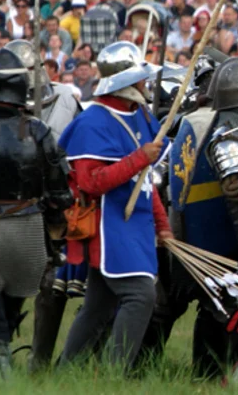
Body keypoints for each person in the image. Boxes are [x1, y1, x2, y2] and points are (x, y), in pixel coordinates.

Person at [143, 58, 238, 378]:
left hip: (182, 234)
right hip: (221, 240)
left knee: (180, 309)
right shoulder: (229, 129)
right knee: (225, 312)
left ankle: (144, 369)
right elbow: (236, 190)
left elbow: (161, 178)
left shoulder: (191, 123)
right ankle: (209, 375)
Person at [56, 41, 169, 372]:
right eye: (140, 80)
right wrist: (138, 158)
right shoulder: (93, 121)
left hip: (134, 223)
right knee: (140, 296)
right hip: (109, 225)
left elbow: (145, 181)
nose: (145, 86)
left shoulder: (141, 116)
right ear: (126, 83)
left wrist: (162, 224)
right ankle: (113, 374)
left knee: (98, 306)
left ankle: (66, 372)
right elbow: (91, 182)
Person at [0, 49, 74, 375]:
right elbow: (61, 193)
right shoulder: (37, 131)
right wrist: (56, 233)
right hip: (27, 232)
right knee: (6, 312)